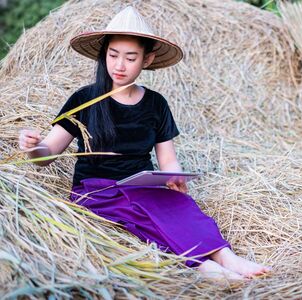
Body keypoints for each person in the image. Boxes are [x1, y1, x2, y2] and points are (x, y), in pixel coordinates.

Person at [18, 6, 270, 280]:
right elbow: (47, 155)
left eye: (130, 57)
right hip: (96, 191)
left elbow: (167, 158)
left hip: (142, 184)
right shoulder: (84, 99)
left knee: (181, 206)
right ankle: (201, 266)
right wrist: (35, 147)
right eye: (113, 55)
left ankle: (226, 257)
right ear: (104, 55)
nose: (119, 65)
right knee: (141, 218)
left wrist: (173, 177)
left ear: (147, 60)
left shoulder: (156, 104)